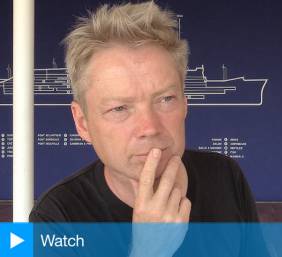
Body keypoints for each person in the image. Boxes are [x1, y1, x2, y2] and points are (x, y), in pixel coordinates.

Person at [30, 1, 264, 256]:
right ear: (82, 123)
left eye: (165, 99)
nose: (150, 128)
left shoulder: (225, 177)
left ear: (185, 104)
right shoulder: (53, 220)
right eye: (119, 108)